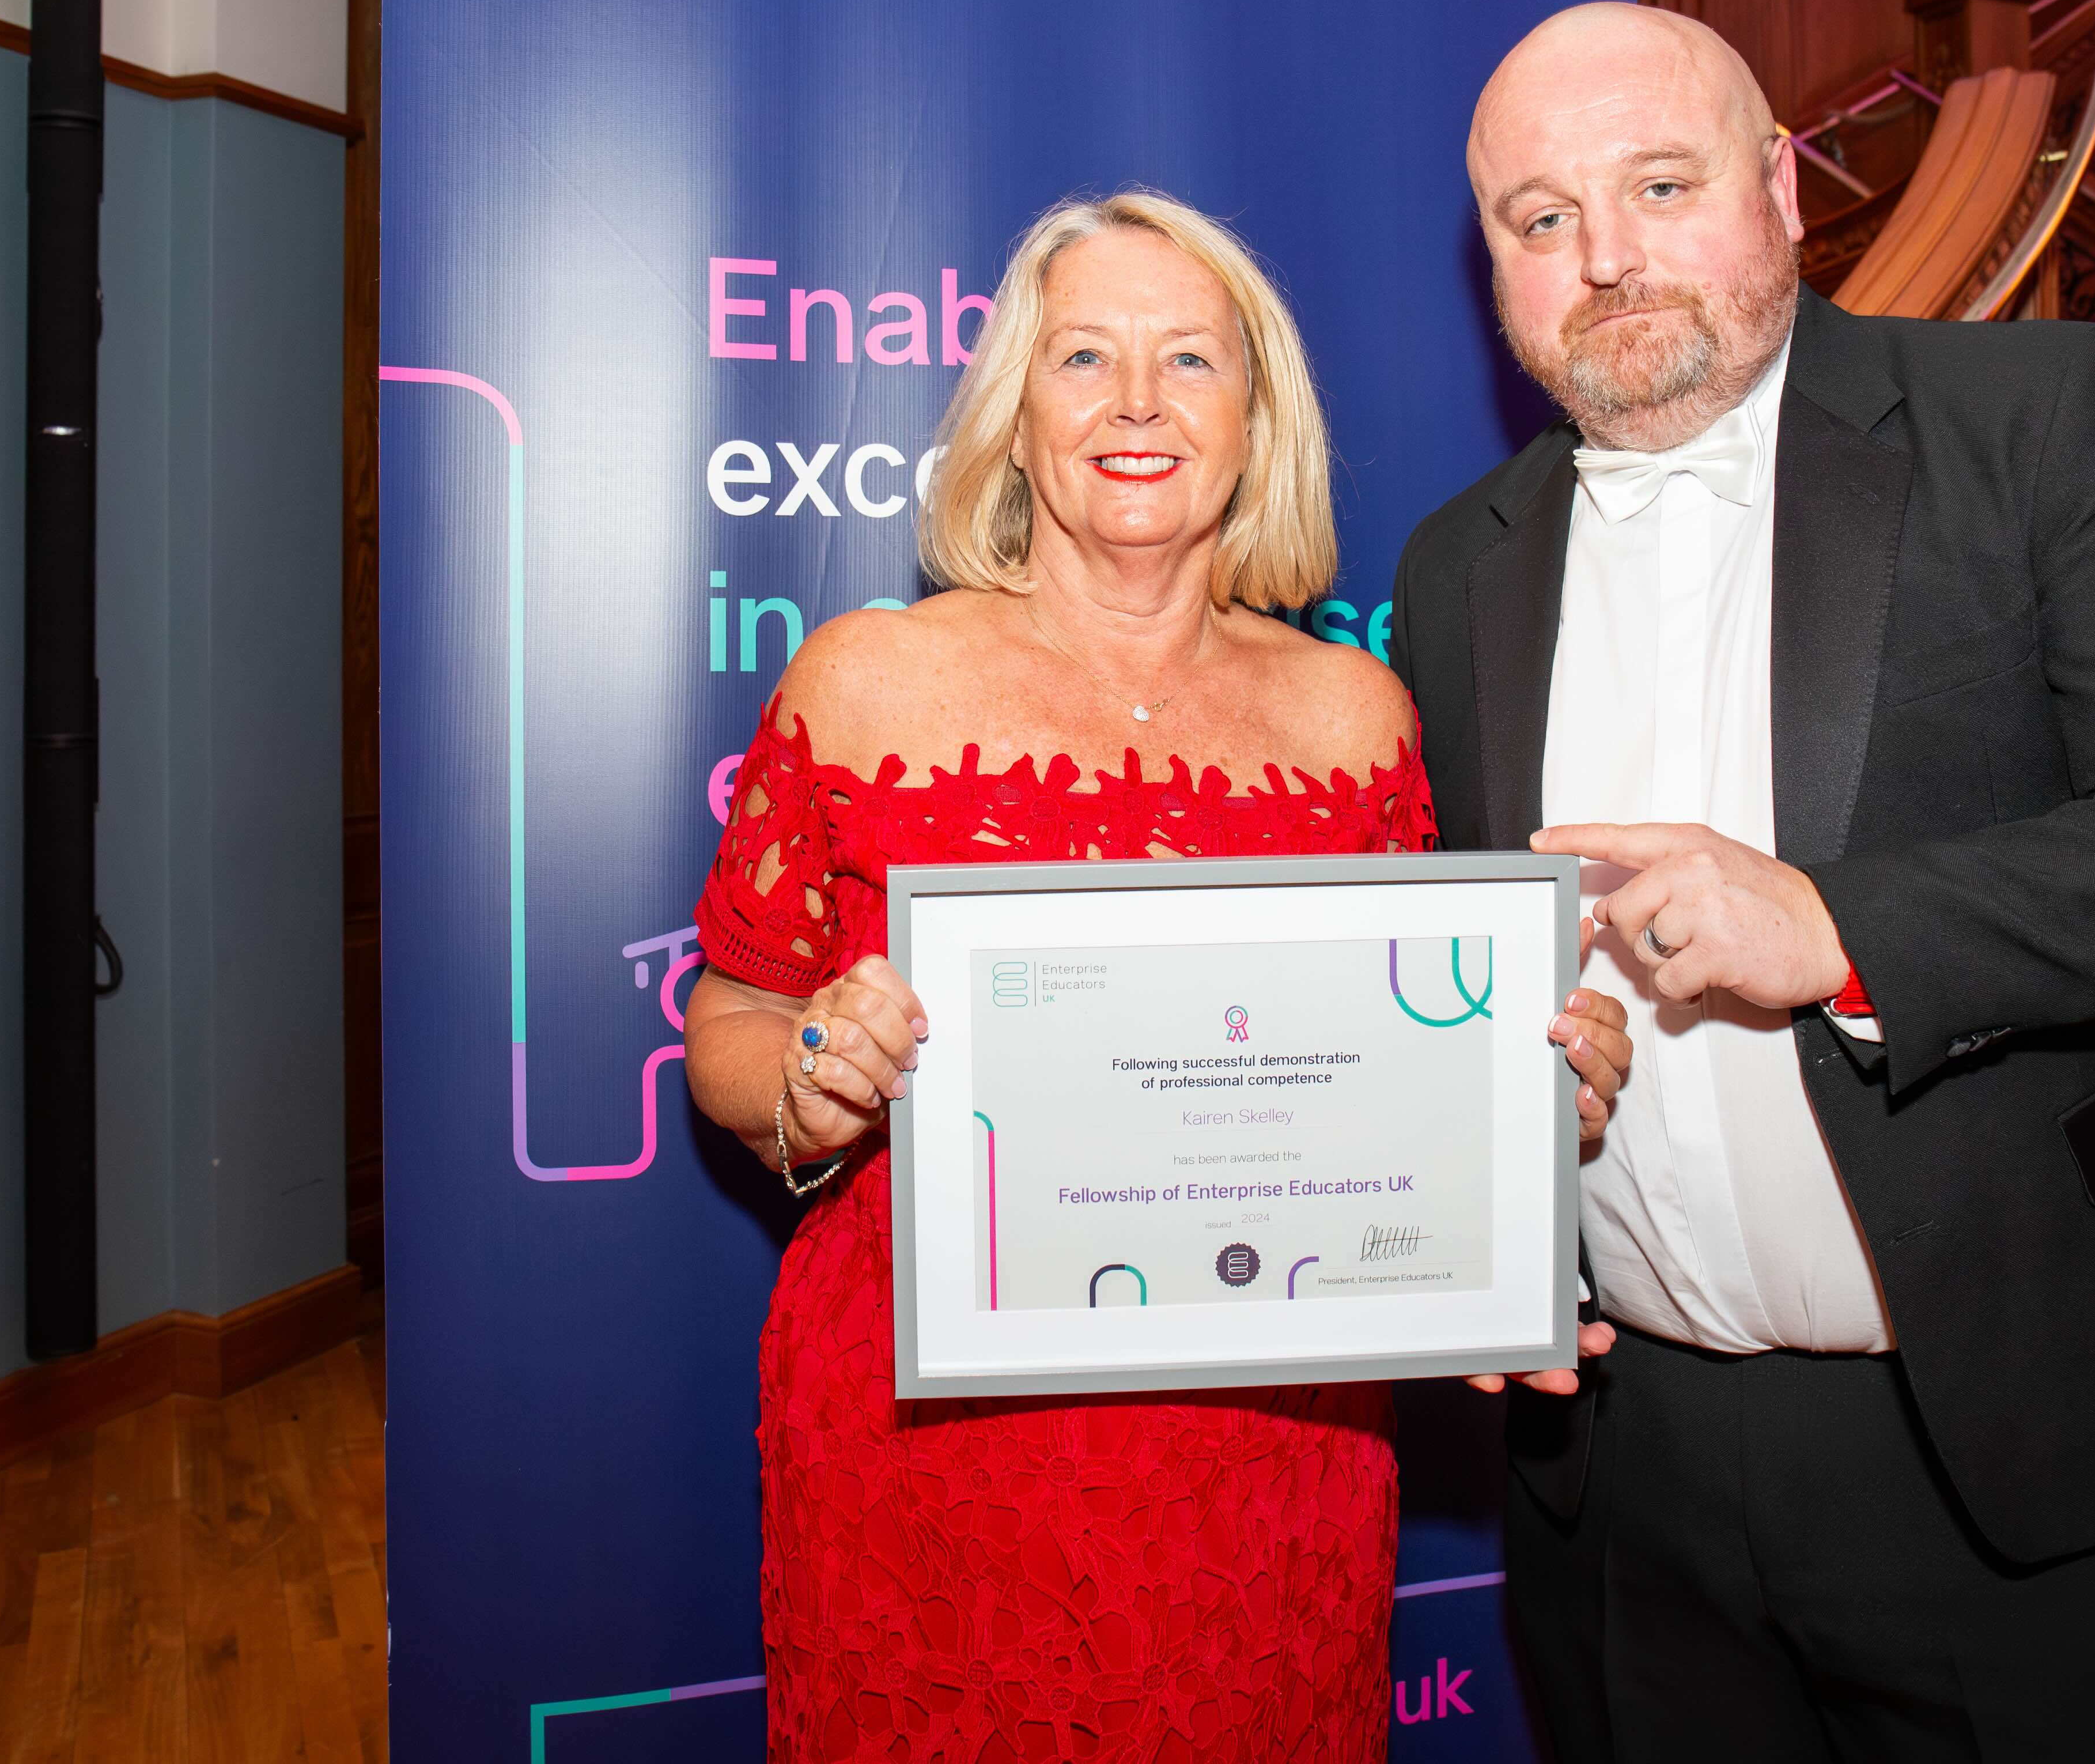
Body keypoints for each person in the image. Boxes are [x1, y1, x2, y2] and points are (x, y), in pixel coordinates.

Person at [1391, 3, 2095, 1762]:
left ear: (1779, 188)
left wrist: (1843, 928)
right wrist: (1479, 1248)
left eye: (1660, 184)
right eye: (1541, 221)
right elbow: (1487, 996)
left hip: (2007, 1434)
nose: (1604, 259)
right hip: (1626, 1478)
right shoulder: (1456, 564)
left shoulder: (2026, 418)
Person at [683, 190, 1636, 1760]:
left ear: (1256, 423)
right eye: (1083, 359)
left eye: (1191, 359)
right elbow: (731, 1010)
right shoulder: (866, 683)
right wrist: (810, 1078)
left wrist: (1537, 1104)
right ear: (1012, 416)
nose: (1136, 404)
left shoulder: (1357, 720)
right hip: (928, 1451)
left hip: (1265, 1464)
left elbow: (1412, 1088)